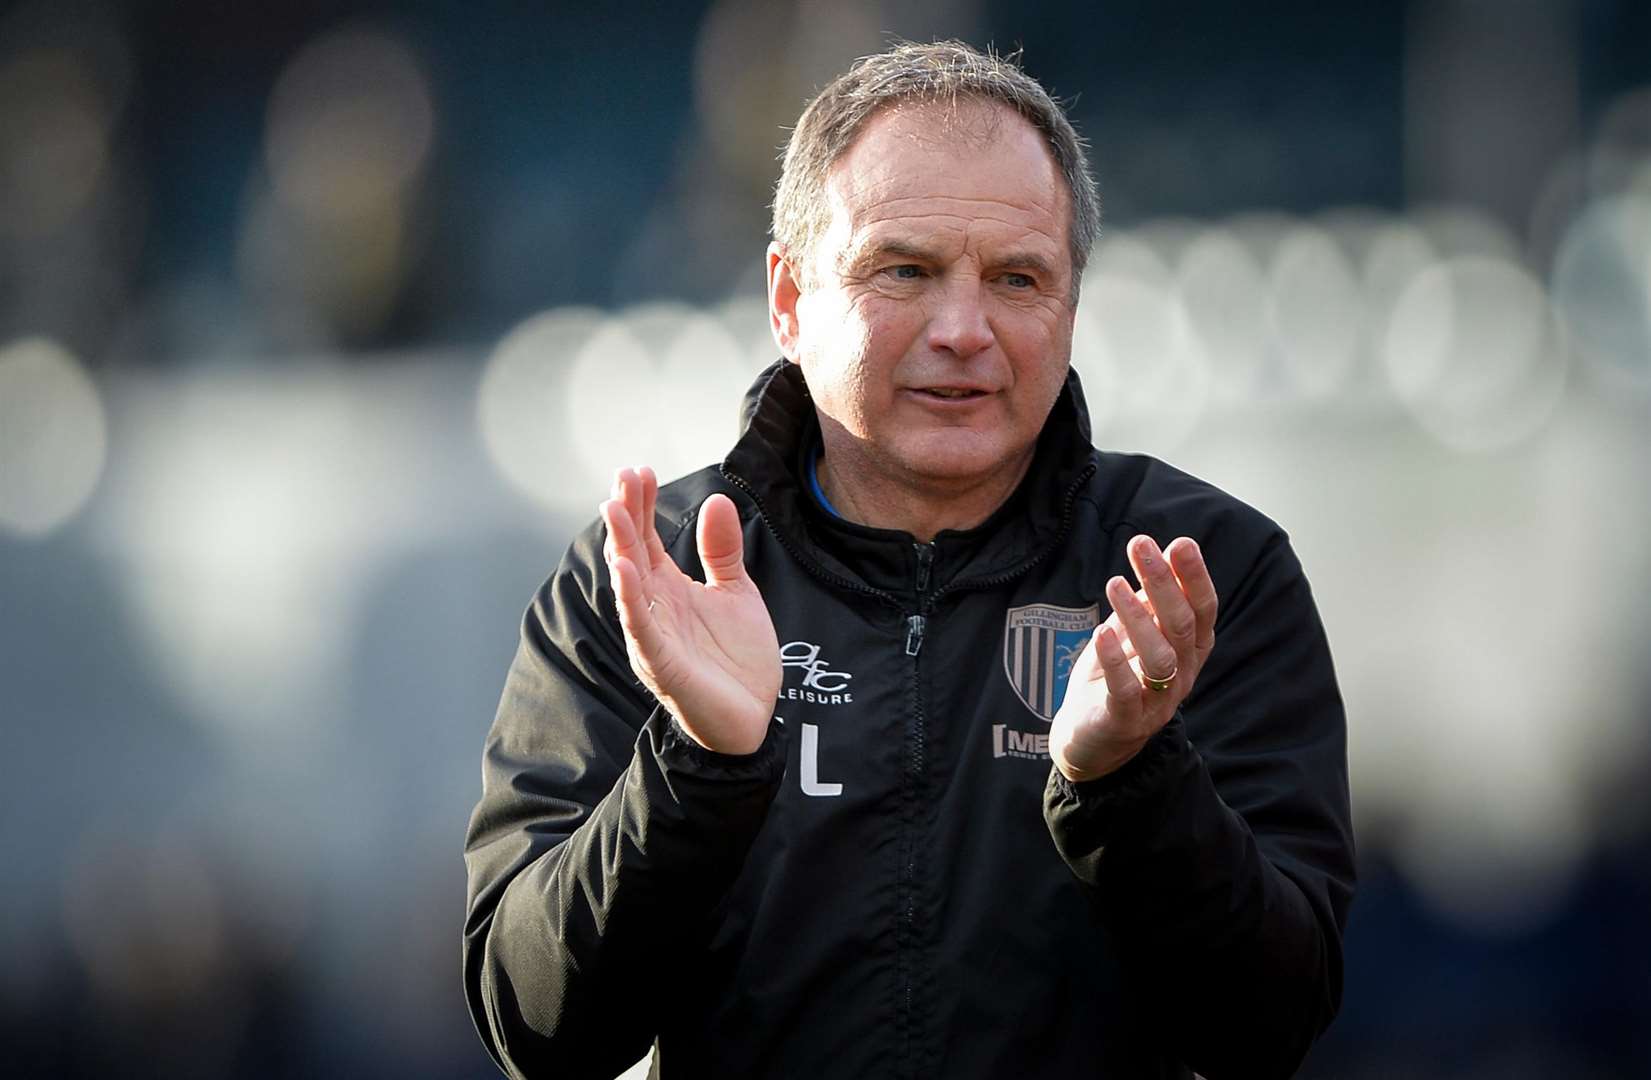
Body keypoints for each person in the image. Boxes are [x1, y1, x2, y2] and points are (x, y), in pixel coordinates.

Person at [464, 41, 1355, 1080]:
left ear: (1070, 306)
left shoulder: (1202, 576)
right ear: (788, 298)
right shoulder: (648, 580)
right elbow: (537, 1028)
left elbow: (1271, 1024)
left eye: (1018, 279)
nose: (964, 330)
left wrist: (1129, 783)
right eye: (906, 270)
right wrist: (696, 768)